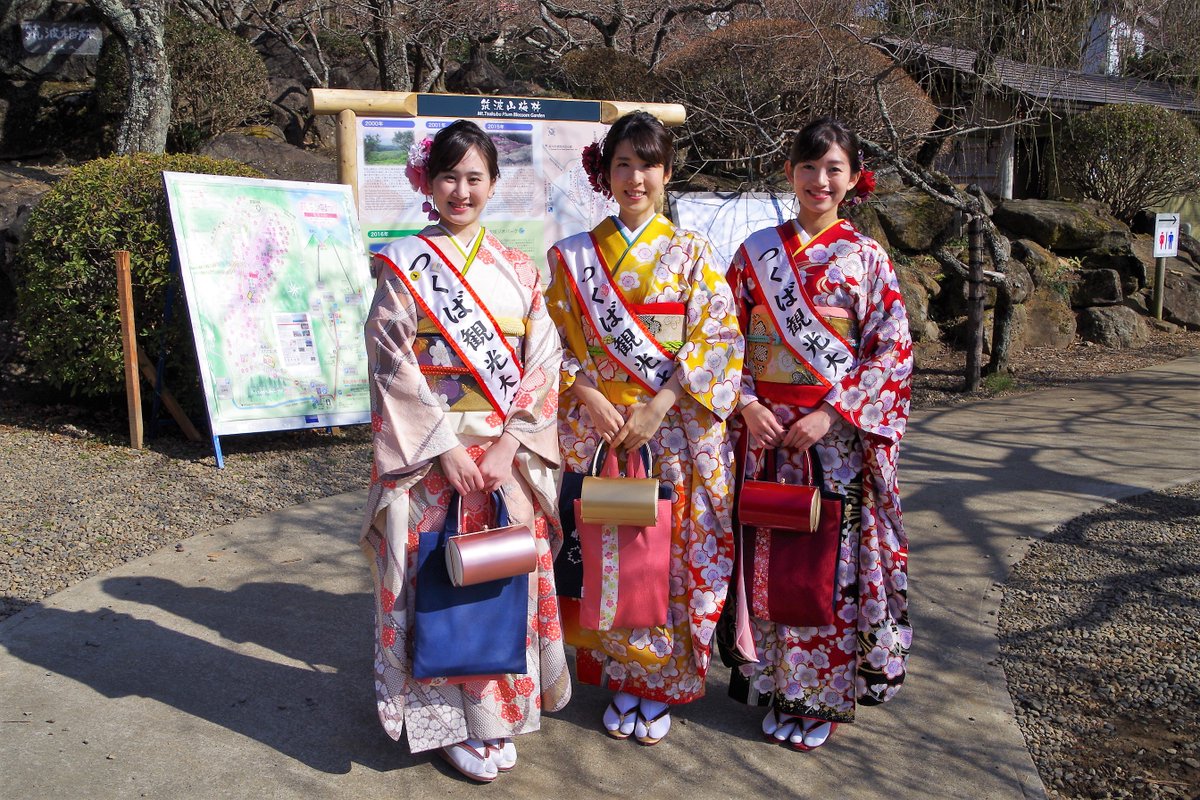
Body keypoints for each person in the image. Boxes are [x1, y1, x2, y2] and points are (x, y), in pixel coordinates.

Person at [360, 120, 570, 783]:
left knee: (503, 580)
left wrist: (510, 443)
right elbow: (390, 358)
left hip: (504, 460)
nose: (461, 190)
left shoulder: (518, 270)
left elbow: (545, 358)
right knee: (437, 582)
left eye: (474, 177)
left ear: (493, 184)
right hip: (432, 461)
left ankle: (499, 717)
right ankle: (447, 723)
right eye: (448, 176)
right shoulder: (404, 266)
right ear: (426, 181)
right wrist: (444, 444)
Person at [546, 111, 744, 746]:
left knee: (667, 555)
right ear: (605, 173)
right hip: (600, 426)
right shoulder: (573, 257)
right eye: (623, 164)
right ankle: (614, 674)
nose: (635, 177)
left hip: (670, 428)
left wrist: (659, 405)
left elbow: (717, 339)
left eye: (647, 164)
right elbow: (548, 343)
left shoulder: (692, 255)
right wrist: (586, 394)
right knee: (608, 553)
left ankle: (657, 683)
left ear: (666, 171)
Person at [724, 117, 913, 751]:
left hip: (830, 442)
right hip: (765, 437)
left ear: (855, 178)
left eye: (834, 169)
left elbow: (891, 351)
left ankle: (820, 697)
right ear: (789, 174)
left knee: (827, 565)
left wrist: (831, 413)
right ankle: (776, 686)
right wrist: (747, 403)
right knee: (766, 560)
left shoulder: (867, 260)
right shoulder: (755, 254)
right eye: (808, 167)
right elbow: (722, 341)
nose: (820, 180)